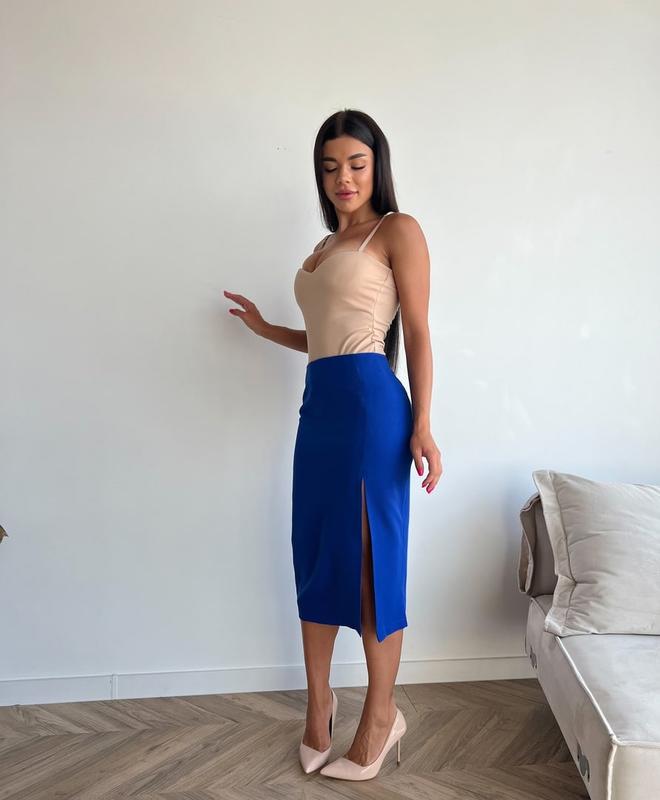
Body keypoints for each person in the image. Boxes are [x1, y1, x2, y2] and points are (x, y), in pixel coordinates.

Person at [224, 109, 442, 781]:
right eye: (329, 167)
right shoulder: (324, 246)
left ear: (377, 166)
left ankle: (382, 714)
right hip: (319, 410)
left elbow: (418, 332)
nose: (343, 177)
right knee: (316, 553)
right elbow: (326, 335)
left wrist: (424, 425)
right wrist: (267, 330)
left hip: (372, 408)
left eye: (355, 163)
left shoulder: (397, 230)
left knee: (373, 561)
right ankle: (318, 706)